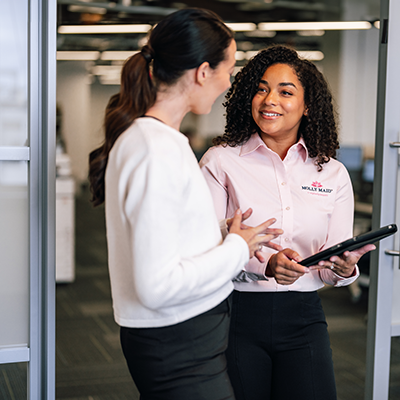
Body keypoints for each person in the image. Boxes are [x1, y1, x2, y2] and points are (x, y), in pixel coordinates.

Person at [88, 9, 283, 400]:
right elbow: (157, 286)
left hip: (183, 341)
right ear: (202, 72)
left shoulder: (158, 141)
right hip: (176, 344)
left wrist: (218, 235)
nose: (230, 82)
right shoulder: (154, 149)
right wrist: (235, 249)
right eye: (228, 69)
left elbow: (163, 242)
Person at [200, 45, 375, 400]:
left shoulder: (332, 173)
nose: (269, 100)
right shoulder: (221, 162)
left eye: (285, 91)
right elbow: (203, 248)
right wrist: (265, 265)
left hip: (305, 316)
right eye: (261, 89)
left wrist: (342, 268)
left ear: (308, 106)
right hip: (237, 315)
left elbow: (329, 268)